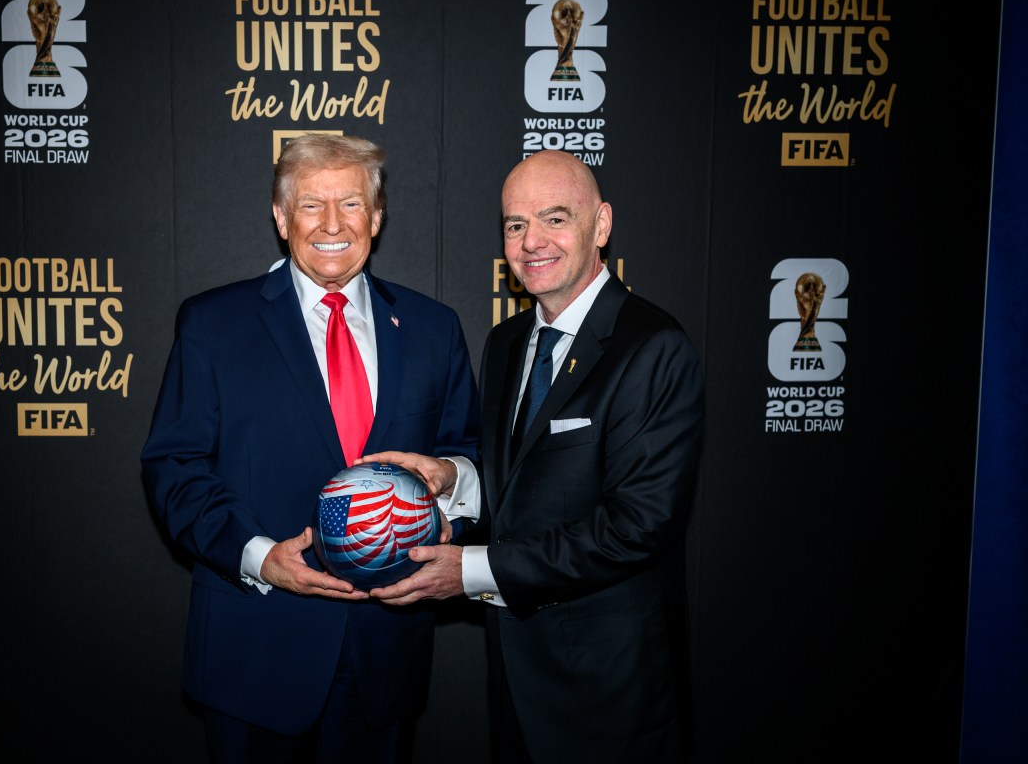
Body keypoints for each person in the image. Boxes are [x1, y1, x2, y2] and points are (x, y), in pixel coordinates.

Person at [140, 134, 481, 763]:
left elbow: (469, 456)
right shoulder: (213, 324)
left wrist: (450, 478)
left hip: (385, 653)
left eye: (350, 204)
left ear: (377, 218)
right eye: (310, 205)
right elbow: (174, 467)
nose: (332, 225)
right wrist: (259, 556)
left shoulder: (434, 328)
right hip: (255, 651)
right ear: (279, 216)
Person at [362, 149, 706, 762]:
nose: (531, 242)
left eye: (555, 218)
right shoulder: (507, 342)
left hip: (609, 691)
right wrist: (455, 479)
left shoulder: (652, 347)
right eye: (516, 225)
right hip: (517, 678)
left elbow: (637, 526)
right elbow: (517, 487)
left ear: (600, 225)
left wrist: (467, 571)